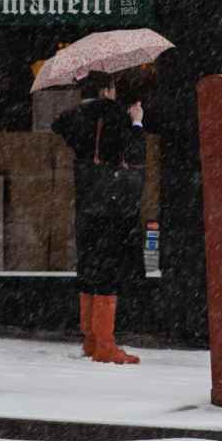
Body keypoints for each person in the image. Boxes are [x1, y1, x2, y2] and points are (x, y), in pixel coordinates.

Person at [52, 71, 143, 364]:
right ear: (107, 90)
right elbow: (135, 154)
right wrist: (137, 121)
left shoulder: (73, 119)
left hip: (86, 202)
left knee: (88, 266)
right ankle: (105, 344)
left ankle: (91, 339)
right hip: (112, 205)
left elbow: (61, 126)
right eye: (114, 87)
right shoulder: (116, 116)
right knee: (108, 270)